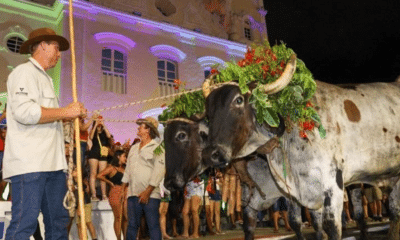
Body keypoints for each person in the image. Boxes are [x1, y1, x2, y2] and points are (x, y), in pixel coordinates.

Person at [3, 27, 86, 240]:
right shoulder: (23, 73)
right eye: (57, 48)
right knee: (24, 224)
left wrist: (67, 116)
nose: (59, 54)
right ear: (42, 46)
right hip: (30, 164)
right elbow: (24, 112)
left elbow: (46, 115)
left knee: (58, 224)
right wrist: (65, 112)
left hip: (53, 165)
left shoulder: (46, 80)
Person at [121, 117, 165, 240]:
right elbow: (128, 169)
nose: (138, 128)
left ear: (148, 130)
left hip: (150, 195)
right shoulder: (134, 148)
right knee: (132, 226)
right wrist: (123, 187)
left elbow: (159, 171)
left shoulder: (157, 148)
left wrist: (148, 191)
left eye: (141, 126)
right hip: (133, 193)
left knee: (153, 226)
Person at [97, 150, 128, 240]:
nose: (125, 158)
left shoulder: (125, 168)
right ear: (118, 156)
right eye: (124, 156)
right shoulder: (112, 168)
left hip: (126, 191)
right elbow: (99, 175)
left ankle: (125, 237)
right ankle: (118, 238)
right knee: (118, 217)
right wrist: (109, 182)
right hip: (115, 191)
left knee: (126, 217)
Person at [88, 116, 111, 201]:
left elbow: (109, 136)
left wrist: (103, 125)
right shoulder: (93, 130)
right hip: (94, 152)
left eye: (101, 120)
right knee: (93, 173)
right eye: (98, 120)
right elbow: (90, 137)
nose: (100, 122)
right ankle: (94, 195)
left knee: (102, 174)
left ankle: (104, 195)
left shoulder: (104, 131)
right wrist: (95, 125)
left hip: (103, 153)